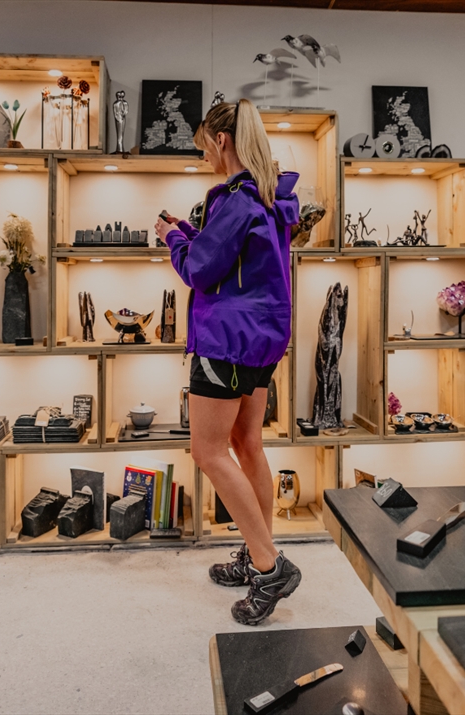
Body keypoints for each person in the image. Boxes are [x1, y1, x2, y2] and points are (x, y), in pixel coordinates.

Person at [155, 98, 301, 626]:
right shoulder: (268, 198)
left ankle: (269, 566)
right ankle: (255, 553)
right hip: (261, 338)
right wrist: (191, 235)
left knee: (208, 451)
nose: (206, 161)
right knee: (247, 444)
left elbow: (198, 271)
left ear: (222, 140)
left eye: (205, 150)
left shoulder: (236, 199)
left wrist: (172, 237)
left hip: (226, 339)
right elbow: (230, 263)